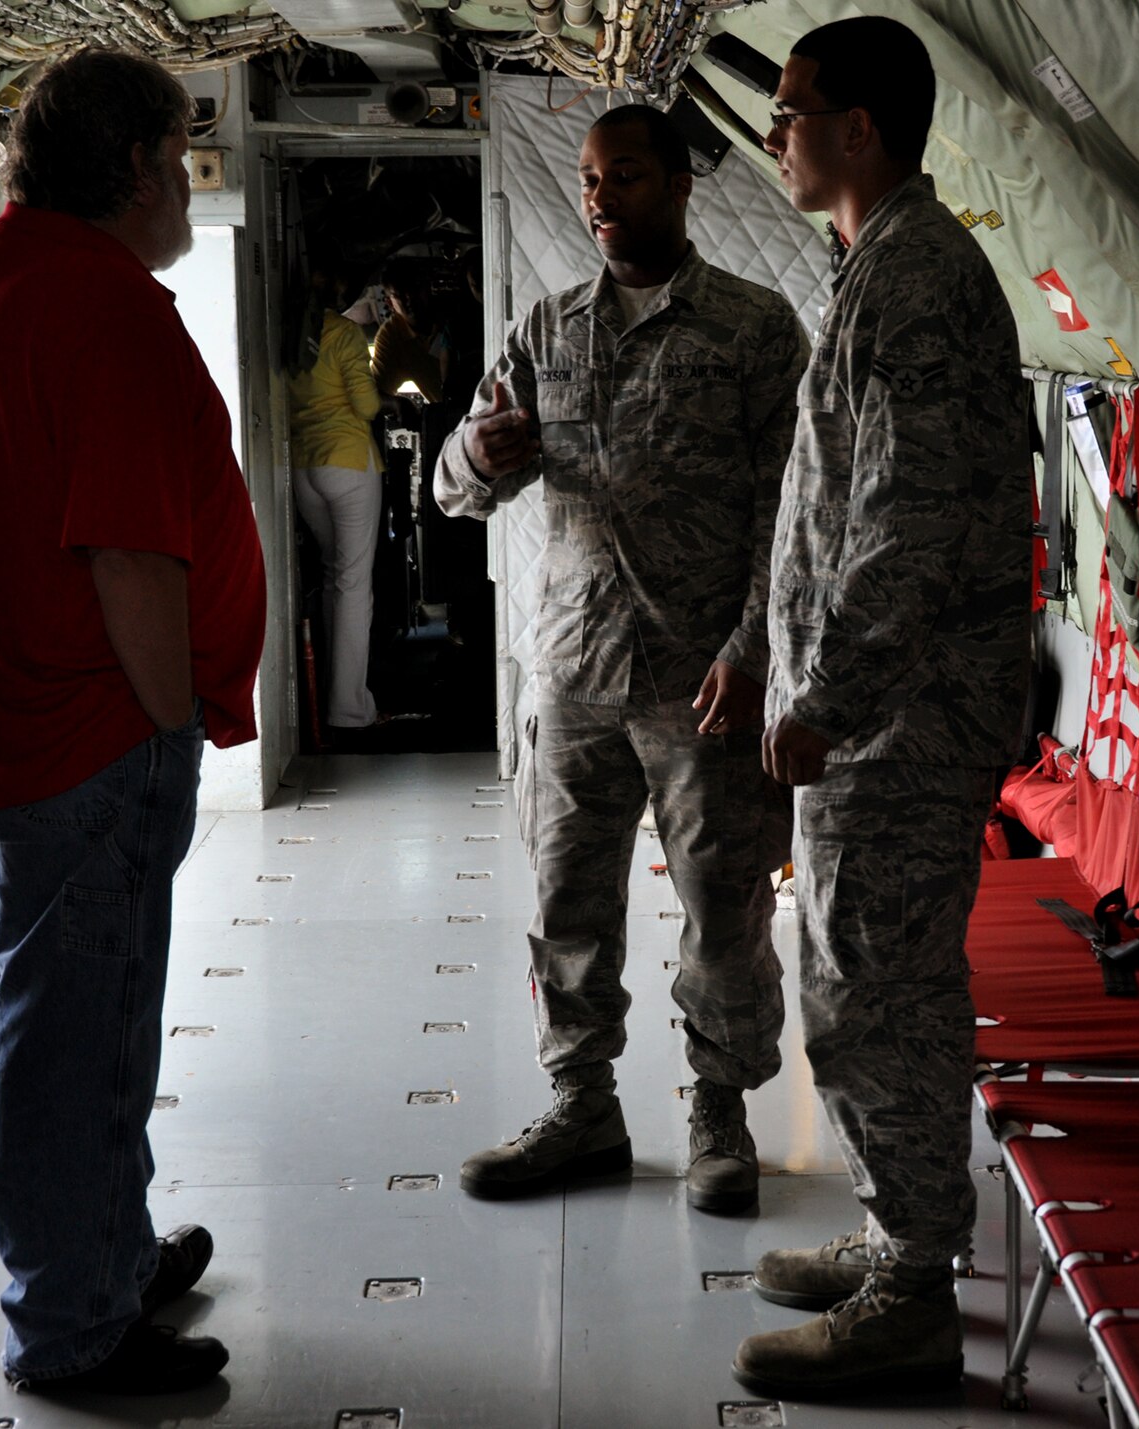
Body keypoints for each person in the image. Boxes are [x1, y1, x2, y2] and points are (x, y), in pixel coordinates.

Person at [0, 49, 265, 1397]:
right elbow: (129, 553)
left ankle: (103, 1254)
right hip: (90, 744)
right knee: (77, 1045)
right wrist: (171, 741)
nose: (187, 177)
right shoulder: (104, 309)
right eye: (179, 151)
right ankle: (72, 1327)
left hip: (7, 745)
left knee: (77, 1023)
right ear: (134, 165)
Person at [729, 17, 1030, 1398]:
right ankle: (896, 1226)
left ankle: (914, 1284)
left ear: (859, 129)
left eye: (791, 112)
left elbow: (905, 525)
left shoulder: (916, 280)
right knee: (867, 979)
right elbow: (832, 504)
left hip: (900, 715)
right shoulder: (881, 263)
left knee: (876, 991)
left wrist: (828, 689)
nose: (776, 131)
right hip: (878, 709)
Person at [436, 104, 807, 1214]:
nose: (599, 199)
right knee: (566, 905)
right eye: (590, 181)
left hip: (705, 678)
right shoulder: (548, 329)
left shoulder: (751, 329)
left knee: (721, 905)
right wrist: (473, 452)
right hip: (574, 669)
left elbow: (788, 514)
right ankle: (581, 1106)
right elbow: (457, 491)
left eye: (625, 178)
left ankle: (720, 1113)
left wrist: (752, 652)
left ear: (680, 184)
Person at [288, 255, 384, 731]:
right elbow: (365, 405)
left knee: (331, 579)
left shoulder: (286, 335)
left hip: (304, 469)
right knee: (353, 586)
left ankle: (327, 695)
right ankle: (348, 709)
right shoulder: (342, 334)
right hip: (347, 463)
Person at [372, 264, 448, 403]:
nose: (410, 298)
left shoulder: (452, 314)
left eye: (414, 290)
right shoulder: (391, 336)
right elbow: (376, 392)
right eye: (400, 294)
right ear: (390, 303)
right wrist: (398, 404)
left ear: (427, 289)